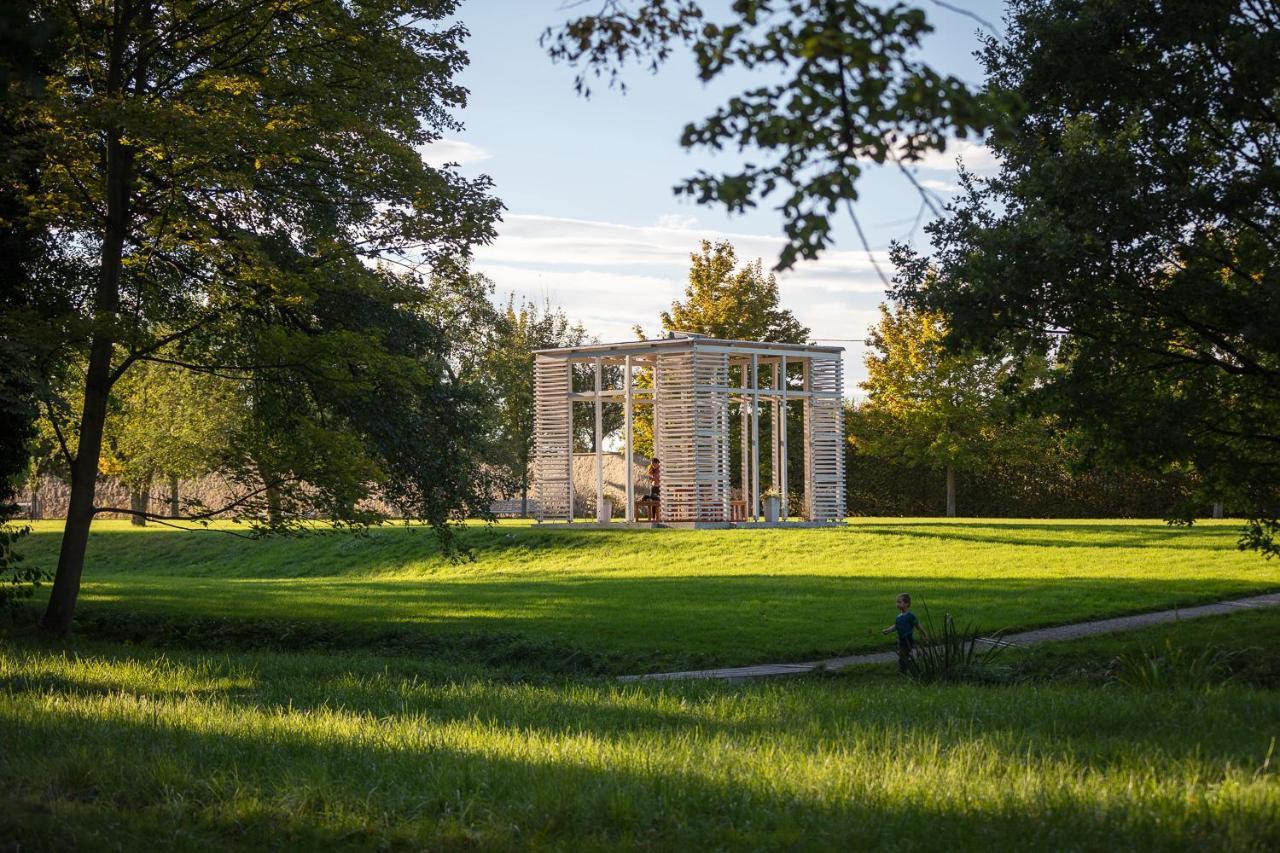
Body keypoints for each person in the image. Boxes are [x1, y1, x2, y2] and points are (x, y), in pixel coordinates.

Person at [881, 593, 927, 674]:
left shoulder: (910, 616)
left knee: (904, 655)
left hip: (908, 639)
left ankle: (904, 670)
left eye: (899, 602)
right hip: (901, 639)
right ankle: (905, 669)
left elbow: (917, 625)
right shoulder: (898, 617)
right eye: (897, 602)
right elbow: (896, 626)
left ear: (907, 604)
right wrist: (887, 630)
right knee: (902, 655)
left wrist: (924, 634)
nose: (897, 604)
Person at [645, 457, 661, 521]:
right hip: (653, 487)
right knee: (653, 502)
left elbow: (660, 480)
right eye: (652, 465)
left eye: (654, 464)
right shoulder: (651, 469)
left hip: (660, 488)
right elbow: (650, 479)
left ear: (657, 463)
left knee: (659, 501)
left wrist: (656, 479)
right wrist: (651, 479)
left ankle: (659, 516)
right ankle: (653, 517)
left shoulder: (661, 470)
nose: (653, 466)